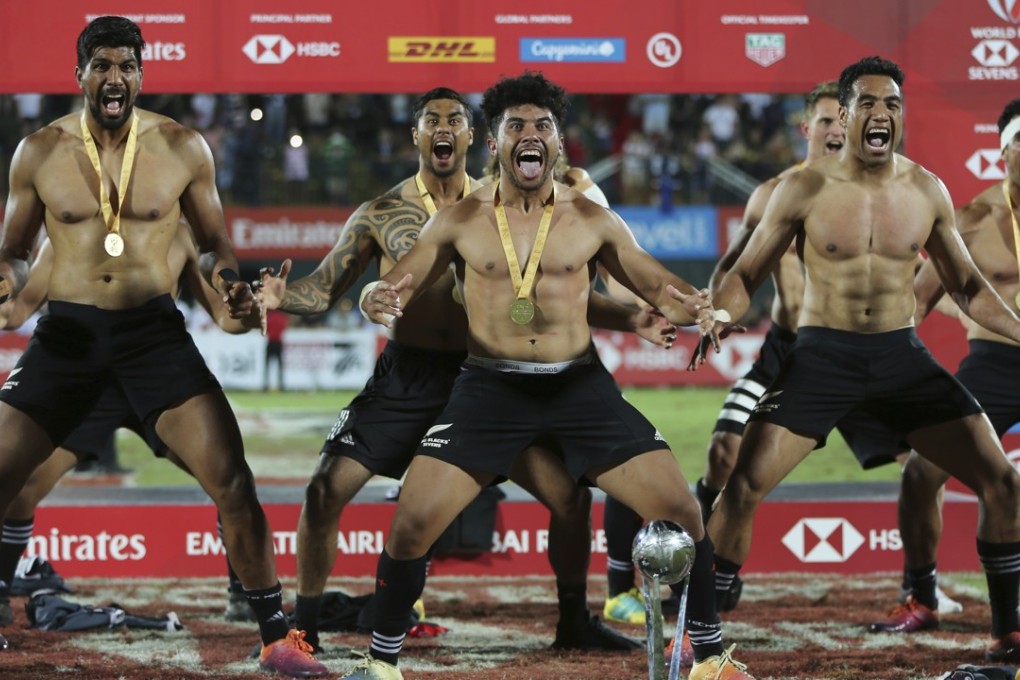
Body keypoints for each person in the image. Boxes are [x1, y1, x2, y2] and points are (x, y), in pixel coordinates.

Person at [345, 71, 753, 680]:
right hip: (489, 387)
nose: (530, 136)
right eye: (516, 126)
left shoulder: (592, 219)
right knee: (411, 523)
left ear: (559, 144)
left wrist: (698, 309)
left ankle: (711, 659)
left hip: (578, 387)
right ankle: (380, 665)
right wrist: (373, 296)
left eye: (543, 126)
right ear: (495, 143)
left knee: (684, 513)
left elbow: (652, 281)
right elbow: (399, 277)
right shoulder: (459, 218)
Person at [257, 86, 672, 656]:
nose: (443, 128)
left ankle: (573, 619)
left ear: (475, 136)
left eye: (455, 119)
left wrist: (633, 318)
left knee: (570, 499)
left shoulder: (503, 202)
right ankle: (304, 630)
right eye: (431, 120)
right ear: (417, 135)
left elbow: (566, 301)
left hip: (487, 379)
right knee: (325, 488)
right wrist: (281, 298)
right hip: (408, 376)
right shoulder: (381, 212)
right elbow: (322, 290)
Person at [0, 16, 324, 676]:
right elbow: (13, 252)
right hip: (68, 339)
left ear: (141, 75)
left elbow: (214, 246)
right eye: (102, 65)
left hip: (151, 339)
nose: (114, 77)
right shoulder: (39, 151)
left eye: (126, 65)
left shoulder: (182, 148)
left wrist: (232, 287)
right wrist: (2, 277)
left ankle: (276, 639)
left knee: (234, 482)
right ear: (81, 75)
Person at [702, 55, 1020, 663]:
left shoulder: (927, 188)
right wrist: (721, 312)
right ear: (844, 117)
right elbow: (744, 271)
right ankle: (703, 639)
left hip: (901, 355)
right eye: (868, 104)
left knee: (1002, 481)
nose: (882, 114)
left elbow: (969, 289)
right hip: (824, 355)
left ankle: (1007, 631)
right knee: (741, 485)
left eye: (893, 104)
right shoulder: (804, 187)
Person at [0, 224, 262, 626]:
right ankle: (2, 591)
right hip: (87, 380)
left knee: (226, 479)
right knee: (22, 486)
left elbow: (225, 318)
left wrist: (250, 310)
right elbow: (18, 310)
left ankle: (242, 592)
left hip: (150, 377)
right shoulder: (66, 232)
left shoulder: (177, 236)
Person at [868, 97, 1020, 634]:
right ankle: (922, 595)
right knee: (920, 471)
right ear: (1004, 151)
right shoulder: (976, 219)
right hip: (999, 364)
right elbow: (919, 298)